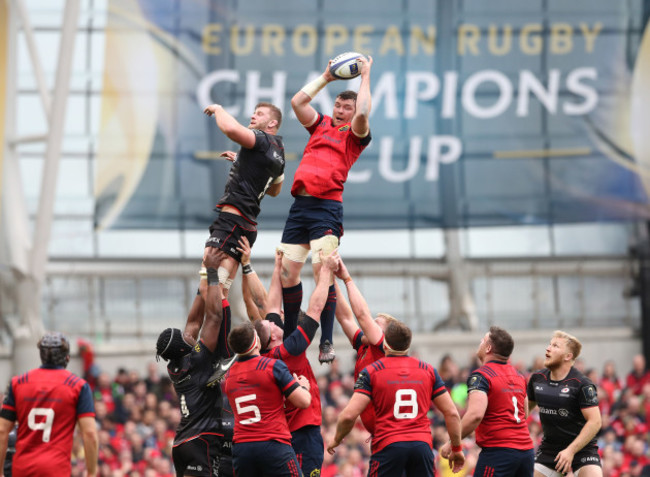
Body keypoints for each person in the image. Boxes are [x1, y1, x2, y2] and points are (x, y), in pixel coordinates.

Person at [279, 55, 374, 364]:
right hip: (300, 207)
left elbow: (362, 111)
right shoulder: (319, 125)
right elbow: (297, 102)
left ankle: (326, 341)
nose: (341, 110)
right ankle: (293, 333)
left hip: (326, 209)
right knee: (287, 272)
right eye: (338, 105)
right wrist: (326, 77)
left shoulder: (354, 136)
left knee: (324, 271)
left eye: (345, 108)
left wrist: (365, 77)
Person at [327, 320, 465, 476]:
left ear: (384, 343)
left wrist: (337, 439)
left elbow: (349, 415)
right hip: (422, 446)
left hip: (389, 446)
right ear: (408, 344)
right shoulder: (428, 370)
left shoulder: (372, 371)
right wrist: (457, 448)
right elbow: (452, 413)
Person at [254, 249, 340, 477]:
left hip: (282, 437)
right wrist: (326, 271)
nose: (274, 320)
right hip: (302, 434)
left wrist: (276, 267)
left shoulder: (264, 355)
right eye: (270, 325)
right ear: (273, 337)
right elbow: (315, 309)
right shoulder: (289, 350)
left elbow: (271, 305)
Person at [156, 250, 233, 477]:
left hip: (182, 443)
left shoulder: (175, 366)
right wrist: (212, 273)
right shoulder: (198, 359)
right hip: (202, 440)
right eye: (186, 337)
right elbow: (214, 318)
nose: (190, 334)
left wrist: (203, 272)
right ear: (183, 346)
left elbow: (194, 320)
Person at [202, 101, 285, 299]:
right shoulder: (279, 151)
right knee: (220, 291)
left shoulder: (262, 139)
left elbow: (231, 129)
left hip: (231, 223)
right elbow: (275, 190)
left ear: (272, 123)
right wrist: (243, 162)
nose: (253, 116)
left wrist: (218, 109)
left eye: (260, 114)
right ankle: (206, 331)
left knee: (209, 291)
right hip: (246, 226)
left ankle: (194, 332)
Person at [440, 326, 534, 477]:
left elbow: (475, 415)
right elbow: (525, 412)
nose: (480, 342)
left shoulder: (481, 376)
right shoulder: (519, 376)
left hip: (499, 454)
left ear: (488, 348)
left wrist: (453, 443)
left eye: (482, 340)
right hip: (526, 453)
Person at [0, 332, 98, 476]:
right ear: (67, 358)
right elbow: (89, 433)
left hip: (22, 469)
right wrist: (91, 473)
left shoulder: (18, 383)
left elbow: (2, 431)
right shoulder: (78, 387)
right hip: (56, 470)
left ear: (41, 356)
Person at [223, 322, 311, 476]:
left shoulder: (229, 375)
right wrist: (303, 387)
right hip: (273, 444)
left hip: (242, 449)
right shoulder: (271, 366)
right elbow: (303, 401)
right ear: (256, 342)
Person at [527, 330, 602, 477]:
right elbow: (523, 412)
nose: (548, 348)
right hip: (549, 449)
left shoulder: (582, 384)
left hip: (582, 450)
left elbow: (596, 422)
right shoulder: (537, 379)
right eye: (549, 344)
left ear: (568, 356)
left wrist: (570, 451)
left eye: (555, 346)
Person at [332, 254, 393, 434]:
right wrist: (330, 281)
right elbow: (345, 318)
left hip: (389, 431)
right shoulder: (364, 345)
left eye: (377, 324)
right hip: (379, 432)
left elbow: (362, 316)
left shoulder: (384, 345)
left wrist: (347, 278)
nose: (370, 326)